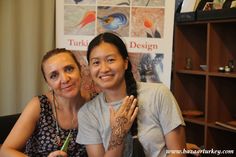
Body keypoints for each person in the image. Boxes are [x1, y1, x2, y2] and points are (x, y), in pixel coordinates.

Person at [76, 32, 187, 157]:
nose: (104, 68)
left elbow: (178, 153)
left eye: (111, 60)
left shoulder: (159, 94)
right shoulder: (88, 114)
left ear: (125, 63)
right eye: (96, 62)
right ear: (89, 67)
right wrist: (118, 135)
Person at [0, 48, 88, 157]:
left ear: (80, 70)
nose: (65, 79)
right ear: (48, 83)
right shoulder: (39, 105)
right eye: (54, 76)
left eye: (69, 69)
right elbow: (5, 151)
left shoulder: (96, 103)